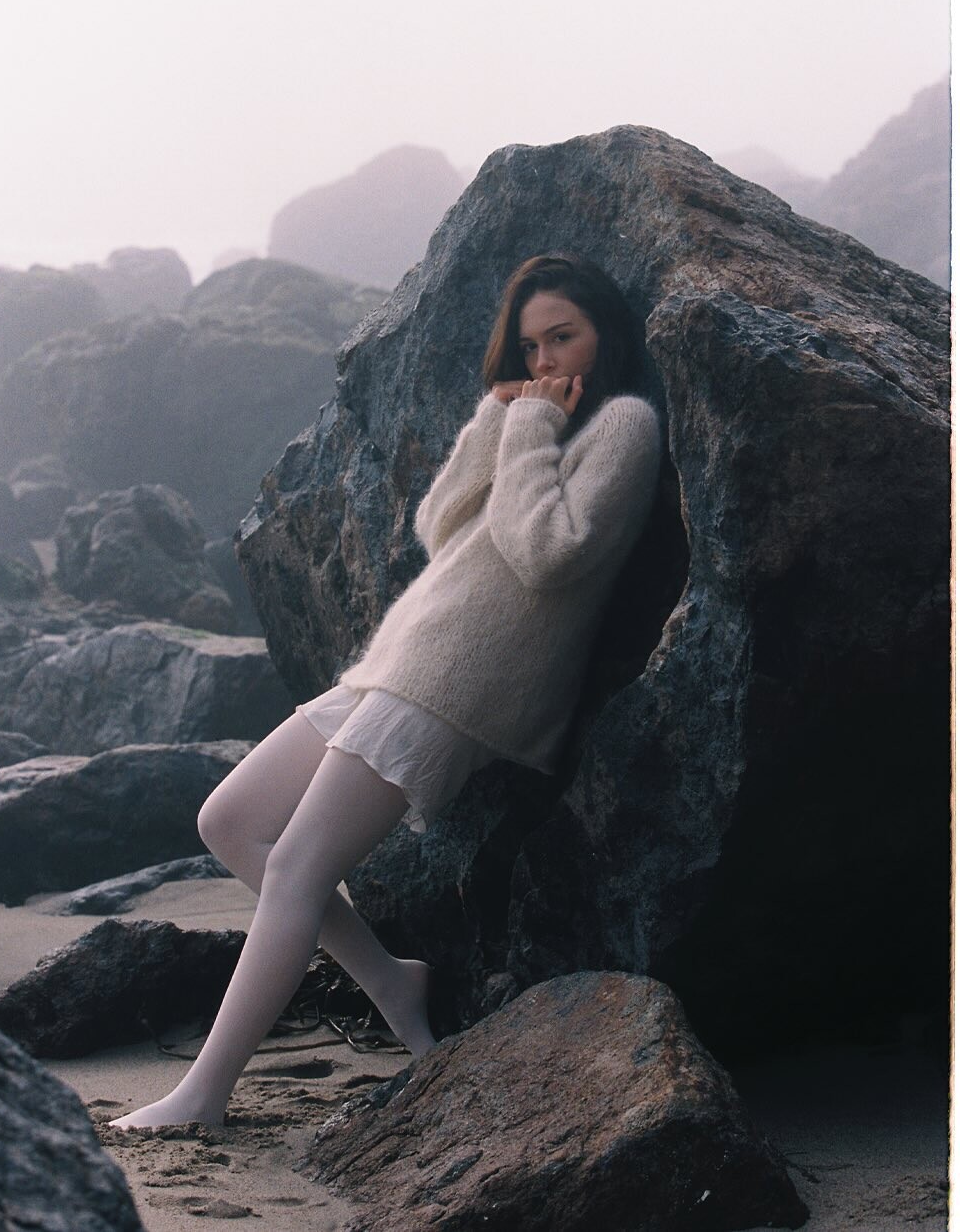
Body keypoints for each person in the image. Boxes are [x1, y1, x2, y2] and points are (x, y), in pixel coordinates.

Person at [110, 254, 662, 1129]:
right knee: (231, 820)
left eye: (564, 337)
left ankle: (203, 1095)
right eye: (530, 346)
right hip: (403, 661)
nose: (547, 360)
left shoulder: (626, 425)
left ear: (606, 334)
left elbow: (548, 553)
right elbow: (439, 524)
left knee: (297, 864)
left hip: (464, 682)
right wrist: (502, 418)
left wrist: (529, 429)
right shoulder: (535, 419)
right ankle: (393, 982)